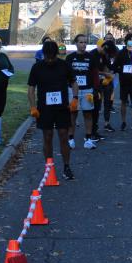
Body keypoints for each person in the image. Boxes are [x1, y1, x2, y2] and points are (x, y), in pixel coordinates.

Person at [28, 38, 79, 179]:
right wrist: (33, 107)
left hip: (62, 107)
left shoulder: (64, 65)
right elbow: (31, 89)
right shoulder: (37, 67)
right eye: (47, 57)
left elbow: (74, 83)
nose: (50, 60)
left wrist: (75, 98)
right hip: (44, 108)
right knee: (48, 136)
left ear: (56, 54)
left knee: (63, 135)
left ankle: (67, 167)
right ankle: (49, 167)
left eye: (52, 57)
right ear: (43, 54)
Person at [65, 34, 100, 149]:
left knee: (88, 114)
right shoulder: (70, 58)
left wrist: (96, 89)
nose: (83, 44)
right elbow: (66, 75)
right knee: (72, 114)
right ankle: (70, 139)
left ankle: (88, 139)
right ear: (76, 43)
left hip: (87, 90)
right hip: (73, 90)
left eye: (85, 42)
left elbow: (95, 74)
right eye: (81, 42)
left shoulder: (91, 57)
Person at [112, 33, 132, 133]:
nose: (131, 41)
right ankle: (123, 122)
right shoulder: (121, 53)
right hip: (124, 81)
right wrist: (121, 70)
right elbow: (115, 66)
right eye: (129, 40)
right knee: (123, 102)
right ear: (126, 41)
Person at [98, 38, 118, 133]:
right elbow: (93, 71)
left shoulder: (109, 55)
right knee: (97, 104)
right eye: (108, 53)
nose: (108, 55)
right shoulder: (94, 54)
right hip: (96, 83)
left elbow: (111, 67)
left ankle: (107, 123)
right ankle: (94, 126)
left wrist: (112, 71)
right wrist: (105, 73)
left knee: (108, 103)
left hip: (107, 81)